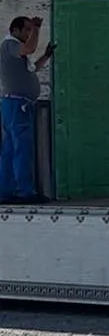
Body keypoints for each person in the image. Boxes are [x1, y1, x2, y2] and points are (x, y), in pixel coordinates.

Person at [0, 15, 54, 203]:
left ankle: (6, 191)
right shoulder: (10, 45)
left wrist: (46, 56)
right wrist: (38, 28)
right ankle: (24, 192)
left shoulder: (15, 52)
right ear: (15, 30)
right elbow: (29, 47)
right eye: (27, 30)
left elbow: (33, 69)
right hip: (18, 105)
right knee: (21, 149)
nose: (29, 33)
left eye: (31, 30)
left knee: (10, 149)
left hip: (13, 104)